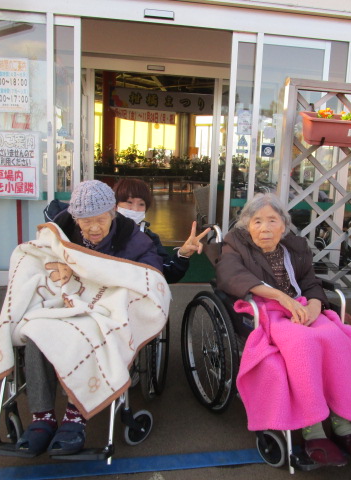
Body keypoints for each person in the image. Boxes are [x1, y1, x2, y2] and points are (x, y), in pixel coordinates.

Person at [215, 193, 351, 468]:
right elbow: (231, 276)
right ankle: (313, 431)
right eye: (257, 221)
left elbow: (309, 281)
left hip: (301, 307)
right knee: (303, 345)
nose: (265, 228)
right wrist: (281, 297)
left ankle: (344, 424)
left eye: (272, 220)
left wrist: (315, 306)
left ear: (284, 225)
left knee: (338, 340)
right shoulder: (235, 244)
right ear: (247, 225)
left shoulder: (295, 247)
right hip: (267, 311)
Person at [15, 180, 164, 456]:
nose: (94, 228)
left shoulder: (133, 239)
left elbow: (149, 275)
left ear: (112, 214)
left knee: (91, 333)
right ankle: (42, 417)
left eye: (101, 220)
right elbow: (38, 264)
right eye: (86, 221)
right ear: (75, 219)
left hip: (104, 310)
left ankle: (75, 416)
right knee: (35, 331)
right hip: (62, 304)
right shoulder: (58, 234)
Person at [113, 177, 210, 283]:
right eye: (129, 202)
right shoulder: (104, 235)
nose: (135, 209)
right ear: (115, 206)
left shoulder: (149, 238)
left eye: (141, 204)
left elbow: (167, 273)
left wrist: (182, 255)